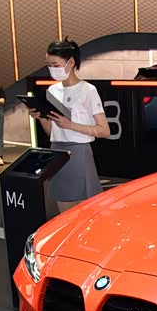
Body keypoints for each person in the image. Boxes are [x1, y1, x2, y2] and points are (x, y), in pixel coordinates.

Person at [30, 39, 109, 213]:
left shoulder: (88, 90)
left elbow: (104, 130)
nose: (52, 69)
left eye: (55, 65)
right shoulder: (52, 91)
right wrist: (41, 117)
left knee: (85, 213)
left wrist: (70, 125)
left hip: (79, 154)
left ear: (71, 62)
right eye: (49, 65)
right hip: (57, 153)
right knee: (64, 212)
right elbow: (52, 132)